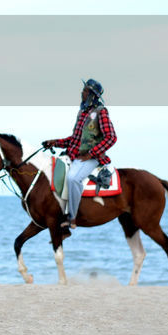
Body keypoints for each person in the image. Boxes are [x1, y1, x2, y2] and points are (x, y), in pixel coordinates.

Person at [42, 78, 117, 230]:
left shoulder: (101, 112)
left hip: (91, 158)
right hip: (74, 155)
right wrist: (55, 142)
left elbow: (111, 137)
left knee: (73, 178)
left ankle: (72, 218)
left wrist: (92, 153)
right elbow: (75, 139)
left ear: (92, 95)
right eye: (83, 90)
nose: (81, 93)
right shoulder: (82, 113)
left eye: (85, 91)